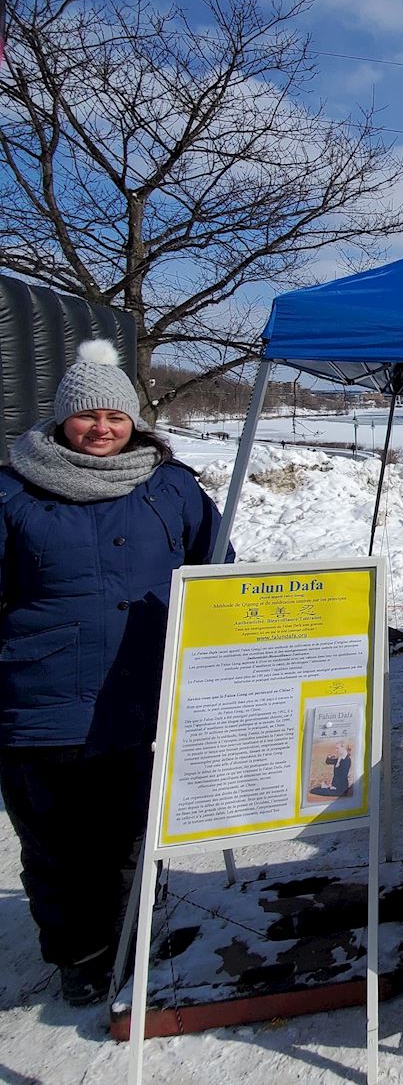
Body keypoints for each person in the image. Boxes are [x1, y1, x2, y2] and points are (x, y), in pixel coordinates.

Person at [0, 340, 229, 1005]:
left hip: (145, 693)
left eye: (115, 417)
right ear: (60, 420)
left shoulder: (170, 486)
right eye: (87, 416)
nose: (101, 428)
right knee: (60, 844)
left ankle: (136, 932)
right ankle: (83, 955)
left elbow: (215, 566)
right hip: (41, 701)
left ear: (135, 422)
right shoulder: (14, 492)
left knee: (134, 827)